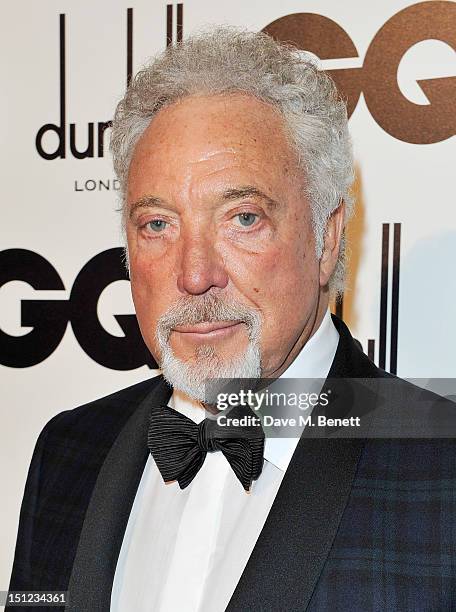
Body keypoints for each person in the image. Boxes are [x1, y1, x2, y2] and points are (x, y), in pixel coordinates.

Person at [7, 26, 456, 612]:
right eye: (158, 225)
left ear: (326, 237)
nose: (194, 274)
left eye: (242, 218)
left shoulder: (442, 475)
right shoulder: (68, 452)